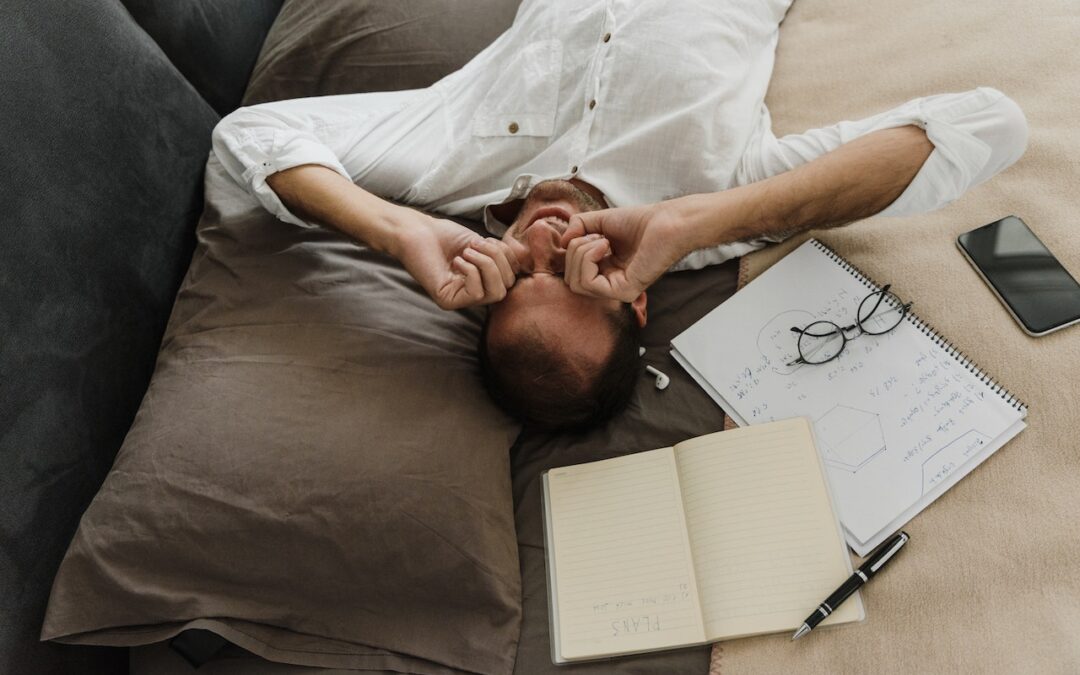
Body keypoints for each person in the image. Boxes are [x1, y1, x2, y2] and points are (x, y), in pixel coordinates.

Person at [212, 0, 1029, 431]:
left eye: (519, 274)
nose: (545, 243)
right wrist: (696, 222)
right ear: (637, 297)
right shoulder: (720, 205)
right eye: (573, 275)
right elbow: (987, 124)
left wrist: (402, 230)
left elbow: (248, 139)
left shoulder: (446, 168)